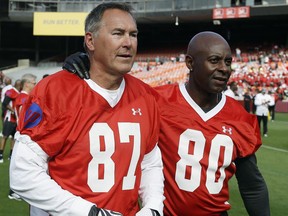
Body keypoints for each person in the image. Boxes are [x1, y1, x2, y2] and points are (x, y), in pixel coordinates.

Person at [64, 31, 270, 215]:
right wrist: (88, 62)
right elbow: (110, 92)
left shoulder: (240, 117)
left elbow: (252, 185)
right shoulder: (156, 101)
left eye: (227, 62)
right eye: (214, 60)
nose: (224, 68)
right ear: (190, 63)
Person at [10, 3, 164, 216]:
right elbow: (22, 173)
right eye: (118, 33)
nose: (128, 42)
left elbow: (150, 163)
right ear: (90, 40)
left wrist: (154, 206)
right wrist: (89, 212)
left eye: (133, 34)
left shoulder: (146, 96)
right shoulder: (55, 91)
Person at [0, 79, 22, 164]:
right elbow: (5, 103)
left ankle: (11, 154)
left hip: (16, 119)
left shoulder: (19, 93)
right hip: (10, 118)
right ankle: (0, 154)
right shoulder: (10, 91)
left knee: (14, 137)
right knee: (5, 136)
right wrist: (13, 111)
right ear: (19, 85)